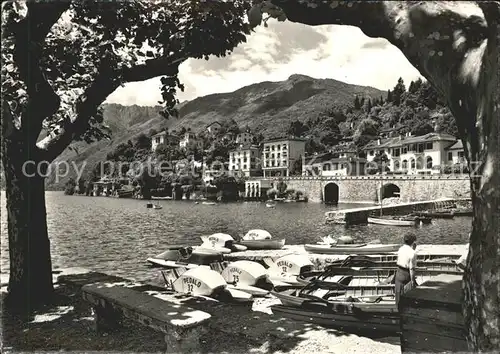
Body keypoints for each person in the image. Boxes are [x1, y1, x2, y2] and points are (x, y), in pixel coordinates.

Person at [395, 232, 418, 308]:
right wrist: (413, 281)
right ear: (413, 242)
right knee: (408, 294)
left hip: (398, 272)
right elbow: (411, 268)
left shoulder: (400, 249)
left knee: (398, 293)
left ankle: (398, 308)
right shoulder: (413, 253)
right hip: (406, 274)